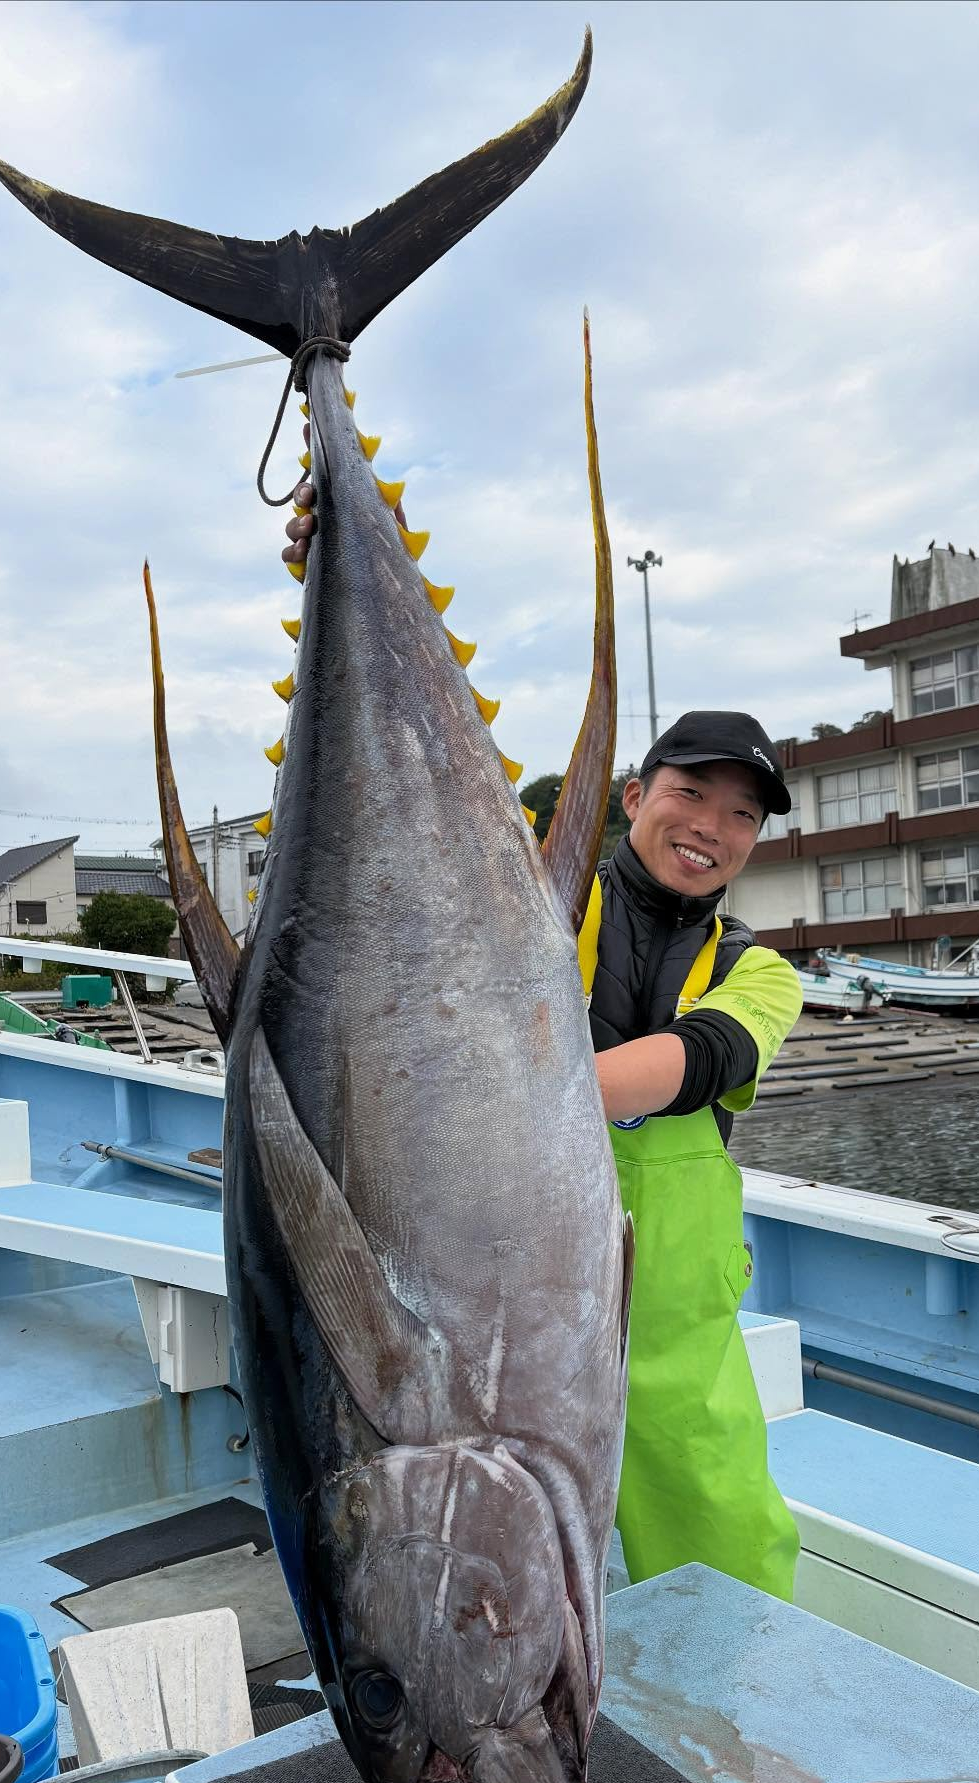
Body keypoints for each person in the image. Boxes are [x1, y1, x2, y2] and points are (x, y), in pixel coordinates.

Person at [283, 488, 801, 1599]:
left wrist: (500, 1095)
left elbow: (697, 1062)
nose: (711, 828)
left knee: (727, 1553)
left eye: (742, 816)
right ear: (632, 795)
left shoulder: (760, 971)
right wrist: (332, 566)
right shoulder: (527, 904)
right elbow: (387, 843)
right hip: (492, 1289)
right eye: (691, 794)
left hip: (669, 1331)